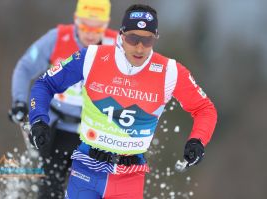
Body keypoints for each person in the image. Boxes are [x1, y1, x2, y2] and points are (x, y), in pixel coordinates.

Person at [28, 4, 217, 199]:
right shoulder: (93, 57)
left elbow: (205, 108)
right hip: (86, 168)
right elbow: (45, 84)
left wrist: (198, 140)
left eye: (147, 40)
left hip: (129, 176)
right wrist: (38, 120)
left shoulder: (170, 71)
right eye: (133, 38)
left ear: (155, 38)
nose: (140, 47)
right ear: (121, 35)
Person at [9, 0, 118, 198]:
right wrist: (19, 101)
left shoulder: (117, 45)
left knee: (89, 190)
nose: (91, 34)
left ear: (107, 24)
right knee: (50, 188)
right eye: (85, 26)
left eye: (98, 28)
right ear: (76, 20)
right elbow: (25, 67)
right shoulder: (58, 38)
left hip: (95, 131)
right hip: (56, 127)